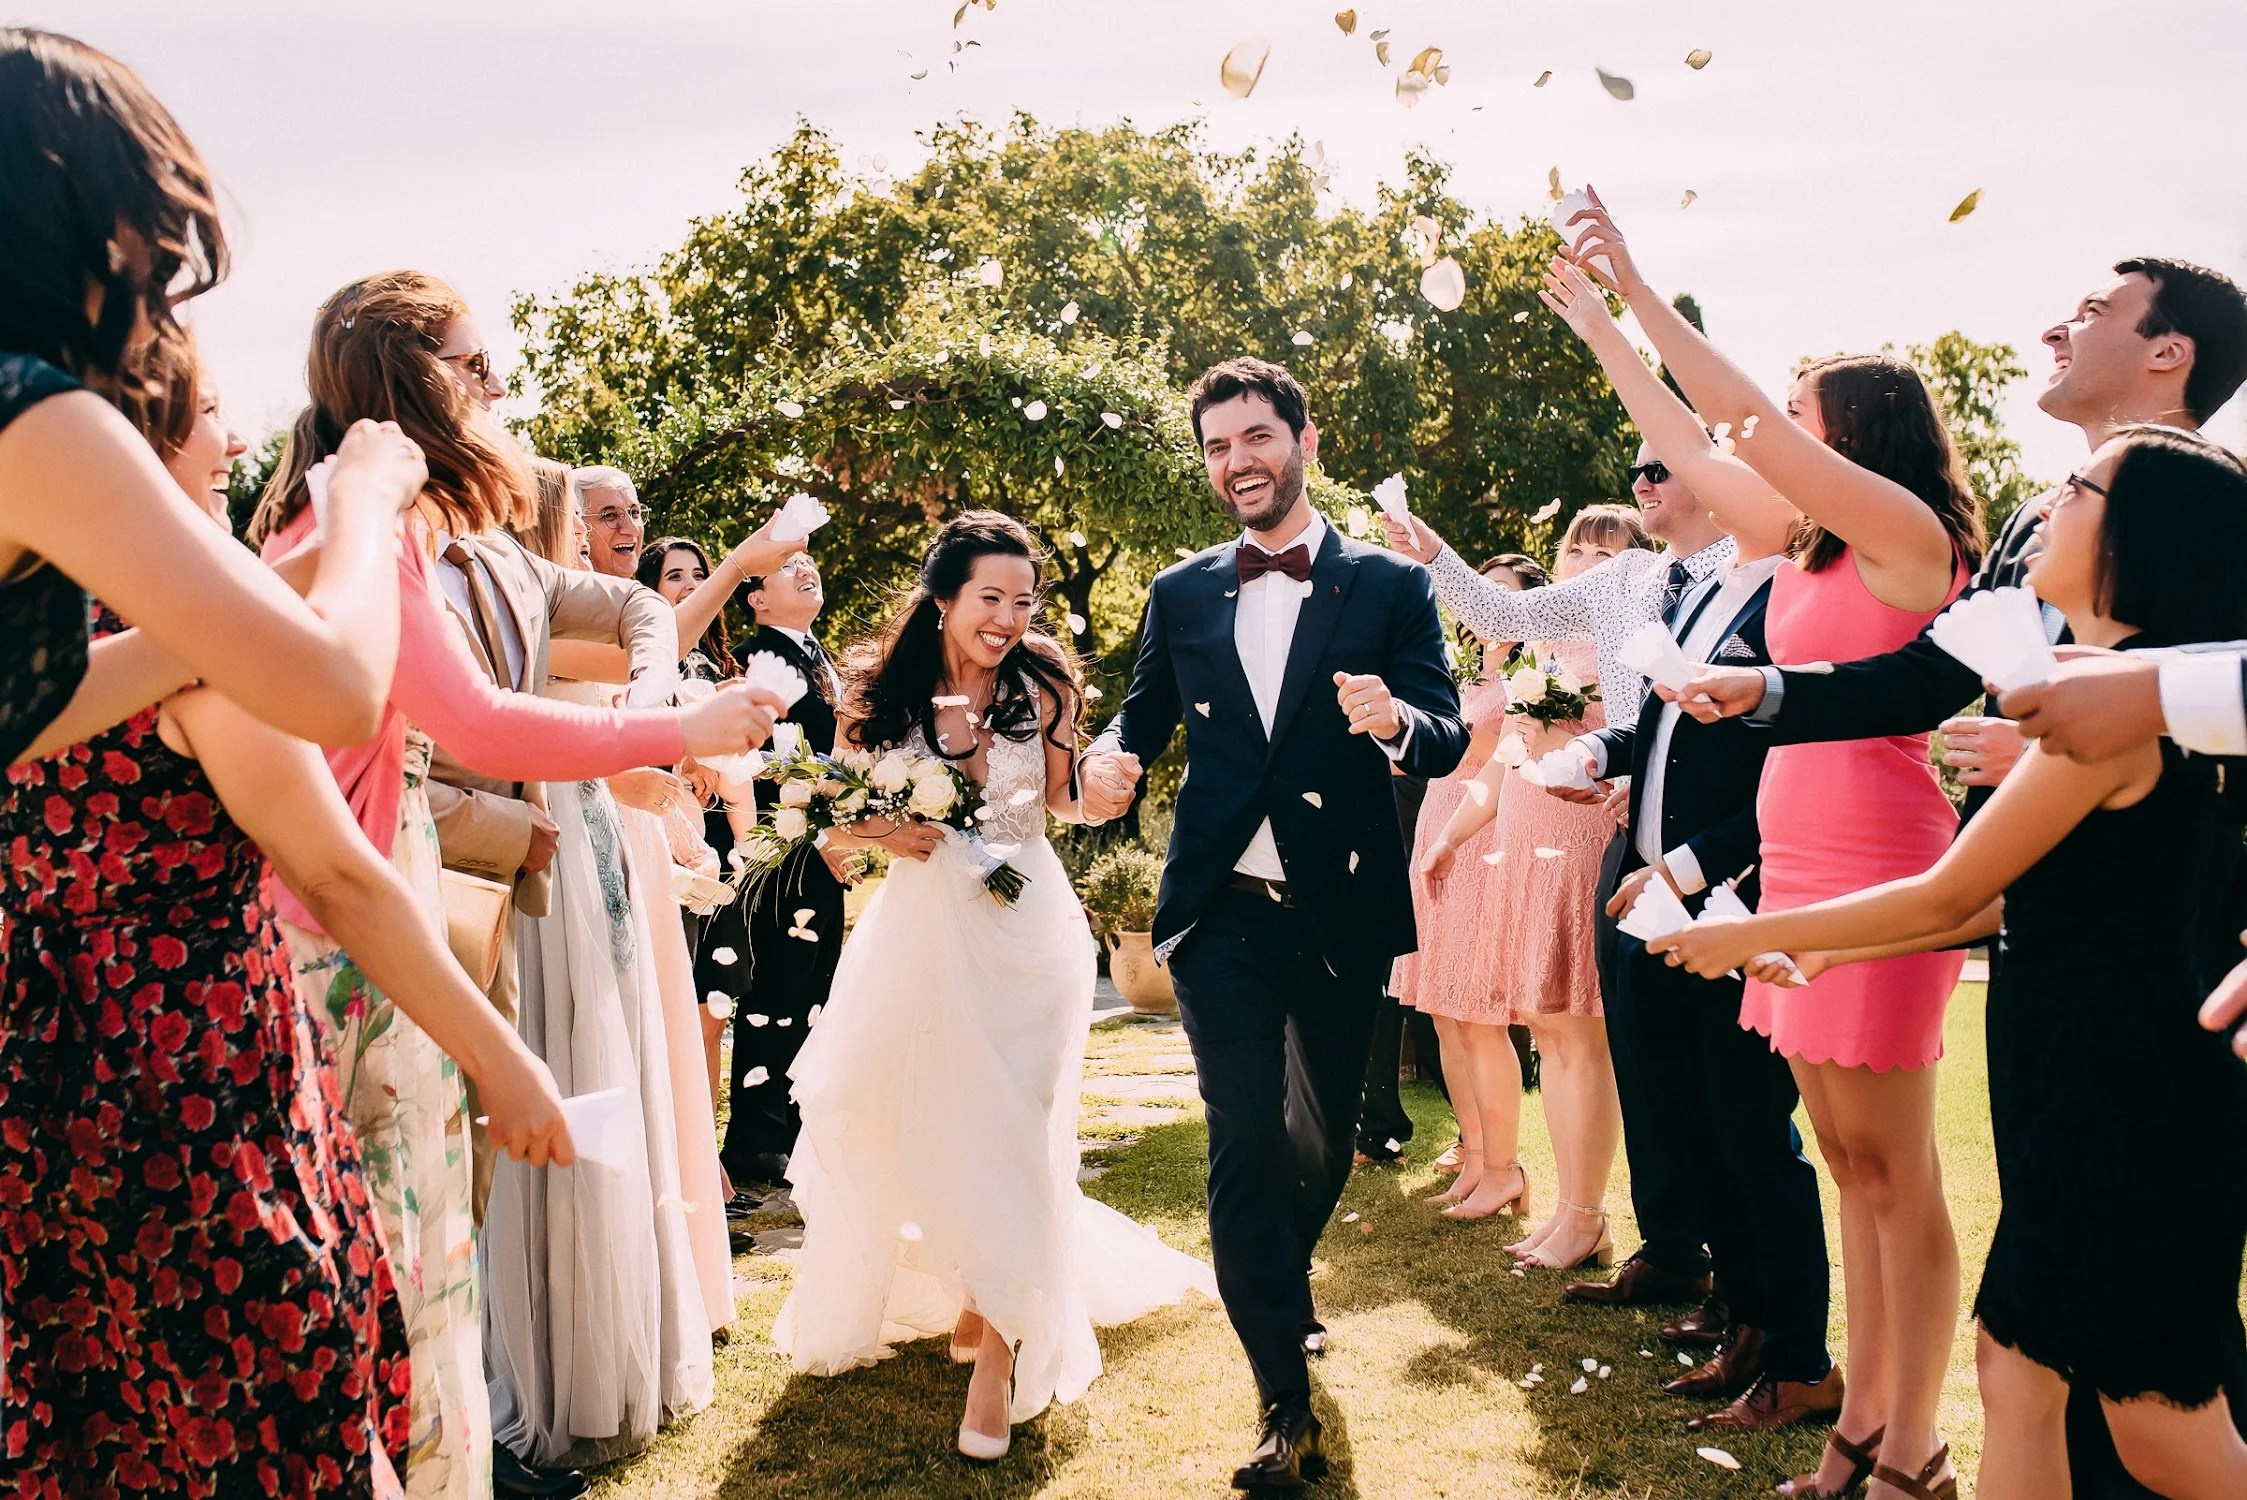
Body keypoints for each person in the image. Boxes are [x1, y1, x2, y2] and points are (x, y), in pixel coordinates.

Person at [242, 284, 783, 1496]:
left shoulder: (390, 532)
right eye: (477, 364)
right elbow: (469, 718)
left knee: (421, 1254)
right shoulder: (357, 536)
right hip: (339, 945)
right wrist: (680, 723)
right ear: (414, 379)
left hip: (376, 918)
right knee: (398, 1263)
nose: (498, 390)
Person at [1, 390, 578, 1495]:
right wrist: (502, 1059)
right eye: (205, 408)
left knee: (97, 1420)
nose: (229, 436)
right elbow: (340, 873)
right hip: (204, 1093)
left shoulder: (40, 640)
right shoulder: (200, 667)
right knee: (273, 1411)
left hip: (42, 1084)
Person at [1654, 425, 2247, 1500]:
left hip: (2132, 1101)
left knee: (2168, 1437)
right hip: (2071, 1082)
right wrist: (1812, 947)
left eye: (2080, 489)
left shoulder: (2109, 715)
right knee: (2016, 1375)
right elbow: (2006, 910)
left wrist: (1749, 934)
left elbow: (1952, 889)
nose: (2050, 504)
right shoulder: (2114, 687)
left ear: (2142, 537)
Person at [1559, 210, 1991, 1480]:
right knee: (1852, 1166)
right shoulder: (1805, 545)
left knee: (1895, 1168)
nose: (1780, 429)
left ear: (1857, 433)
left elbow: (1741, 425)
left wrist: (1640, 281)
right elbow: (1694, 439)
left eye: (1808, 413)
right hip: (1792, 874)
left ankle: (1912, 1440)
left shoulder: (1917, 544)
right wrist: (1607, 331)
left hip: (1881, 863)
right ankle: (1856, 1421)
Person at [1081, 358, 1468, 1490]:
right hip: (1219, 914)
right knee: (1243, 1136)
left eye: (1254, 437)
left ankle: (1273, 1292)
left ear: (1304, 436)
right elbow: (1141, 711)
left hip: (1341, 907)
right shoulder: (1179, 590)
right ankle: (1281, 1405)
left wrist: (1397, 718)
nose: (1235, 462)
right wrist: (1114, 755)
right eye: (1214, 446)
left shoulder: (1390, 589)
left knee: (1320, 1144)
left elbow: (1444, 729)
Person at [774, 511, 1215, 1463]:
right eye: (991, 597)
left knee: (1012, 1127)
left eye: (1025, 599)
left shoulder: (1041, 681)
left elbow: (1058, 799)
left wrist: (1097, 796)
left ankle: (1000, 1352)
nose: (1010, 616)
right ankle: (973, 1288)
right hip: (919, 938)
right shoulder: (876, 700)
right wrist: (883, 834)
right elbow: (834, 836)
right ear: (942, 598)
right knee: (897, 1109)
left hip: (1029, 934)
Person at [1530, 247, 1839, 1458]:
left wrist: (1698, 869)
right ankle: (1741, 1312)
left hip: (1732, 888)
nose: (1689, 465)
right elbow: (1658, 727)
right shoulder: (1703, 593)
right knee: (1704, 1115)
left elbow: (1777, 769)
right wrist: (1610, 773)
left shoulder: (1781, 592)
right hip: (1651, 879)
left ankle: (1791, 1345)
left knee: (1756, 1128)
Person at [0, 30, 429, 765]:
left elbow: (45, 705)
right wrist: (364, 500)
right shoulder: (34, 414)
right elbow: (341, 692)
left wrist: (294, 575)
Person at [1384, 447, 1736, 1315]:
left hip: (1651, 825)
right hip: (1597, 817)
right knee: (1579, 1033)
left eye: (1664, 465)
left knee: (1649, 1051)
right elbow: (1494, 607)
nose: (1643, 481)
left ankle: (1661, 1240)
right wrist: (1429, 549)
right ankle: (1629, 1230)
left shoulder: (1730, 568)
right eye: (1638, 469)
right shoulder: (1616, 587)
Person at [477, 487, 723, 1475]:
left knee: (613, 1066)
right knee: (571, 1064)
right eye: (580, 523)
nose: (594, 540)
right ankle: (555, 1350)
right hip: (553, 852)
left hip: (596, 845)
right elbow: (631, 647)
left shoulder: (553, 609)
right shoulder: (529, 616)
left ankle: (609, 1328)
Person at [1414, 520, 1640, 1259]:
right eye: (1575, 547)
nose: (1584, 561)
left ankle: (1584, 1213)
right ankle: (1571, 1209)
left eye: (1604, 552)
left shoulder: (1628, 644)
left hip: (1579, 845)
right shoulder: (1538, 654)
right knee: (1546, 1030)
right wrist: (1451, 838)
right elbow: (1501, 761)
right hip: (1519, 845)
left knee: (1576, 1035)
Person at [700, 551, 853, 1198]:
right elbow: (764, 759)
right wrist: (817, 831)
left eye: (811, 562)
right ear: (756, 599)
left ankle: (793, 1131)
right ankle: (760, 1141)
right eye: (787, 567)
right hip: (783, 852)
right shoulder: (759, 659)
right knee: (777, 996)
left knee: (815, 993)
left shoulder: (822, 656)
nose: (806, 570)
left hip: (828, 848)